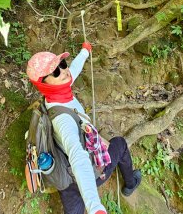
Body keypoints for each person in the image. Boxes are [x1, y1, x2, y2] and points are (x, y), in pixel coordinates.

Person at [26, 42, 142, 214]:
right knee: (120, 143)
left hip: (65, 179)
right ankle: (130, 183)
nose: (64, 72)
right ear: (44, 84)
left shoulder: (55, 95)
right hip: (85, 172)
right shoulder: (63, 120)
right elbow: (78, 158)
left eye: (62, 65)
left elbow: (74, 70)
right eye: (56, 72)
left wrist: (85, 51)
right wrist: (95, 207)